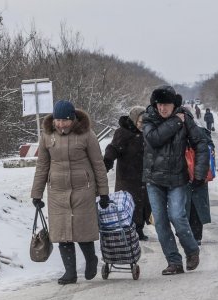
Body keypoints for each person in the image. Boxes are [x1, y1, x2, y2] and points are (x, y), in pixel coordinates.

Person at [31, 100, 109, 285]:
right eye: (57, 120)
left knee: (82, 231)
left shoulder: (87, 135)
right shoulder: (47, 136)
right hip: (57, 191)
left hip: (83, 190)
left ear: (73, 119)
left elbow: (98, 164)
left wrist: (104, 192)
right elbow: (42, 165)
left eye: (65, 120)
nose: (60, 124)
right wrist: (37, 193)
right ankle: (70, 272)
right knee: (62, 233)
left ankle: (91, 260)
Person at [142, 85, 210, 275]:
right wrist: (174, 122)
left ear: (174, 104)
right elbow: (154, 139)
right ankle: (174, 261)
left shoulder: (185, 118)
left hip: (178, 179)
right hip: (154, 180)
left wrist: (199, 174)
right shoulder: (149, 118)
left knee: (177, 216)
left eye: (167, 104)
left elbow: (201, 144)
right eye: (159, 104)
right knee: (161, 222)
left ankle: (191, 250)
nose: (162, 108)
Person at [103, 106, 152, 240]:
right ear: (135, 119)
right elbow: (113, 148)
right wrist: (107, 161)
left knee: (143, 204)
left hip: (143, 175)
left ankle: (139, 229)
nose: (143, 125)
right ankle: (130, 230)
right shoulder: (123, 133)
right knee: (129, 204)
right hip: (127, 176)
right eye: (141, 122)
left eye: (146, 122)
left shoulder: (148, 132)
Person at [188, 128, 214, 245]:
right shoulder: (201, 132)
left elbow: (208, 151)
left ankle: (195, 236)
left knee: (193, 207)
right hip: (193, 175)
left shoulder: (199, 132)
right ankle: (194, 235)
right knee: (192, 206)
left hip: (196, 175)